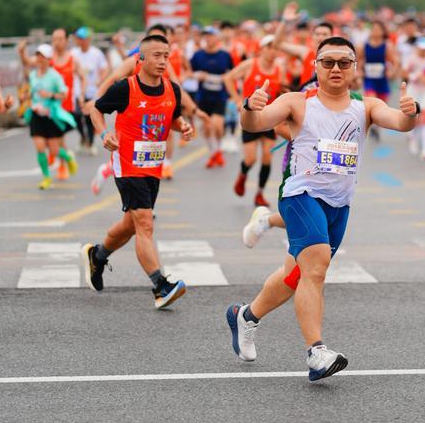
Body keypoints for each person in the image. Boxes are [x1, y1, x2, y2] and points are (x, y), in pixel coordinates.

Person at [225, 36, 420, 382]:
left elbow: (401, 124)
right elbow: (255, 124)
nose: (335, 68)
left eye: (343, 62)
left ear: (354, 69)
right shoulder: (297, 102)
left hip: (338, 204)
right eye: (327, 62)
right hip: (300, 195)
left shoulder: (367, 106)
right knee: (316, 267)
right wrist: (249, 108)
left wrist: (410, 113)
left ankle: (246, 316)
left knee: (295, 276)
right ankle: (316, 352)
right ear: (315, 66)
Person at [82, 34, 194, 309]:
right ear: (140, 59)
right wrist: (104, 133)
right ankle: (160, 286)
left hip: (152, 165)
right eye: (156, 55)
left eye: (166, 55)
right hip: (127, 163)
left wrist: (184, 127)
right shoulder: (125, 88)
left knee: (131, 224)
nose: (162, 61)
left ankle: (98, 255)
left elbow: (173, 118)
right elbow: (97, 111)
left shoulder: (172, 89)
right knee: (145, 222)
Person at [224, 34, 284, 207]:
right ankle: (242, 175)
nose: (273, 51)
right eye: (269, 47)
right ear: (262, 48)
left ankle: (259, 193)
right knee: (250, 159)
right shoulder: (251, 64)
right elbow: (228, 78)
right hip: (250, 117)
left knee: (267, 157)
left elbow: (283, 89)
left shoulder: (279, 68)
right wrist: (237, 100)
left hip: (270, 117)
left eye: (275, 48)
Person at [19, 44, 78, 190]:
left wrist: (50, 95)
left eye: (43, 56)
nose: (39, 59)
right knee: (39, 148)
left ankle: (68, 157)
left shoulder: (54, 76)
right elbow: (33, 91)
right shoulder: (33, 75)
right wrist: (27, 95)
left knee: (54, 151)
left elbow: (64, 94)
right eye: (38, 56)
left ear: (49, 59)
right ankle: (46, 177)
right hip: (36, 115)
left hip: (51, 116)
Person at [191, 26, 234, 168]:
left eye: (211, 35)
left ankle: (217, 149)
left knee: (217, 126)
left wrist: (211, 77)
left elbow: (231, 75)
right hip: (203, 96)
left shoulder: (225, 55)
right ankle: (214, 153)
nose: (208, 38)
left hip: (220, 96)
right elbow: (190, 72)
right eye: (206, 36)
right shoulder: (198, 55)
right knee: (207, 127)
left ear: (218, 38)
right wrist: (198, 75)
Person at [71, 27, 110, 154]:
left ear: (88, 39)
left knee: (89, 118)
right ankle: (83, 136)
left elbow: (105, 68)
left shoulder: (96, 53)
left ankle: (91, 143)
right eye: (78, 38)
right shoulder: (73, 54)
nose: (80, 41)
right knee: (76, 117)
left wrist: (100, 81)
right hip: (77, 91)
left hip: (92, 92)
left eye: (82, 39)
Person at [403, 37, 425, 159]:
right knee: (413, 117)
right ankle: (412, 138)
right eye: (422, 49)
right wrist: (413, 76)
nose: (424, 51)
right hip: (413, 91)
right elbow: (404, 73)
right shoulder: (411, 58)